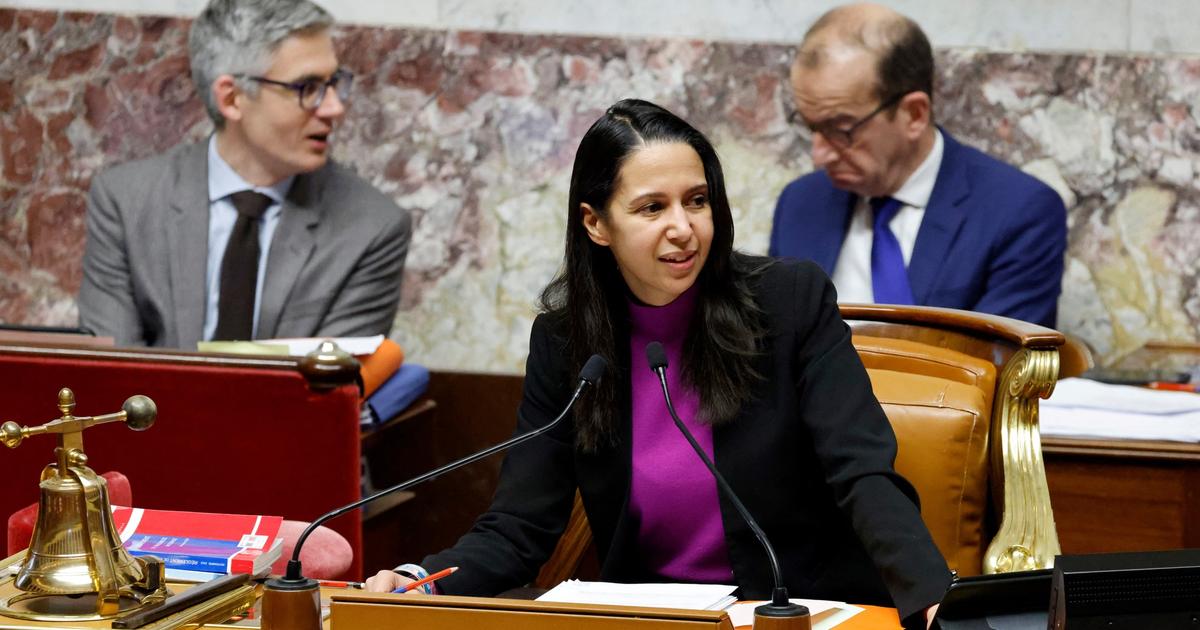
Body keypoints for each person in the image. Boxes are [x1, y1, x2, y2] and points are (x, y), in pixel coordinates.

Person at [365, 99, 950, 629]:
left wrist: (927, 593)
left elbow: (862, 469)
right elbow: (521, 525)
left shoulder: (790, 303)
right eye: (652, 208)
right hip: (655, 620)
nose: (683, 228)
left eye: (697, 201)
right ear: (596, 223)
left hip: (793, 613)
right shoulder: (567, 342)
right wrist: (420, 581)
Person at [77, 0, 411, 349]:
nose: (334, 108)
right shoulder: (127, 203)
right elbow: (111, 370)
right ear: (232, 98)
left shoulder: (373, 228)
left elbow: (327, 389)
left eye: (333, 83)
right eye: (307, 88)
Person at [769, 3, 1066, 328]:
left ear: (914, 114)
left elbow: (1003, 366)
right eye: (811, 128)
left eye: (841, 130)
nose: (819, 156)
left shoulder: (1018, 212)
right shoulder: (800, 204)